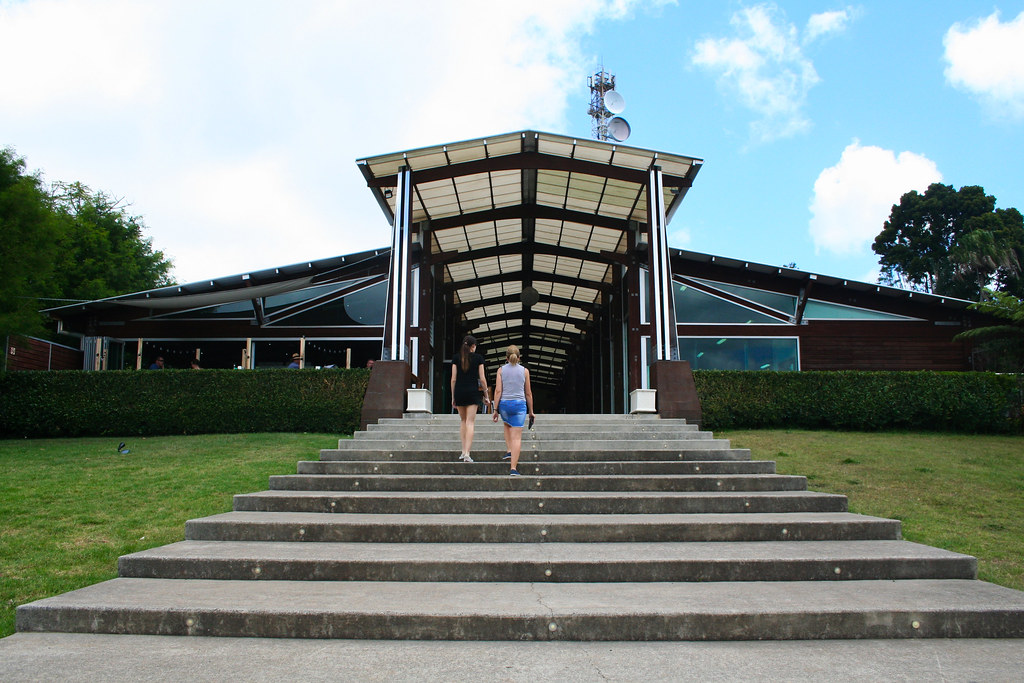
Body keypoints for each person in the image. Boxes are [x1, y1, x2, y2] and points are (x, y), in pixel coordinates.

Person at [491, 344, 534, 475]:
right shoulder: (525, 371)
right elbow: (528, 393)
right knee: (517, 437)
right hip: (520, 405)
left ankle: (509, 450)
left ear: (506, 357)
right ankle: (513, 468)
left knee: (507, 424)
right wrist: (531, 411)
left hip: (504, 404)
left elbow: (498, 391)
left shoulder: (501, 370)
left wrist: (495, 409)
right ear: (519, 357)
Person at [450, 335, 489, 462]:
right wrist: (486, 395)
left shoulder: (456, 358)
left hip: (459, 392)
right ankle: (467, 453)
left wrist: (453, 396)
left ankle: (462, 451)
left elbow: (453, 379)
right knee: (470, 422)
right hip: (472, 392)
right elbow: (482, 379)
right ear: (473, 346)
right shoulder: (478, 358)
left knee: (463, 421)